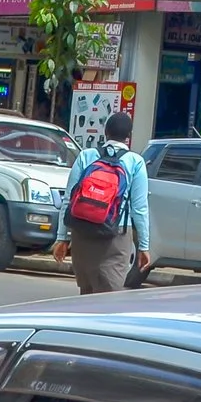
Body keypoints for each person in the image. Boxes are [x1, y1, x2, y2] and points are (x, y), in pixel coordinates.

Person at [52, 110, 151, 293]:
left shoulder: (86, 156)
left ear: (105, 133)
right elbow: (139, 208)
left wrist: (62, 238)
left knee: (86, 292)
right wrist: (144, 246)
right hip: (116, 234)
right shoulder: (135, 162)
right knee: (108, 296)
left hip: (82, 231)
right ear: (128, 137)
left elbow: (69, 199)